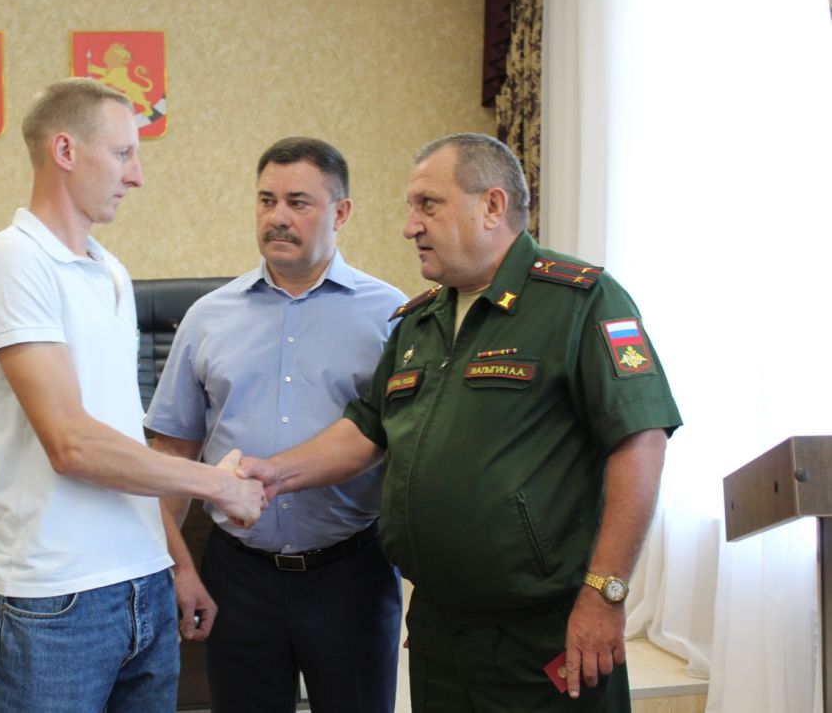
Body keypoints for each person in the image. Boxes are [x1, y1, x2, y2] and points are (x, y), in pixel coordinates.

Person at [240, 132, 682, 712]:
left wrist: (606, 594)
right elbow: (366, 431)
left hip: (546, 628)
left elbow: (640, 441)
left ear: (492, 206)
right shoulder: (418, 322)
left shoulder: (581, 301)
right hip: (439, 629)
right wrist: (273, 473)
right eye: (411, 207)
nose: (409, 226)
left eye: (428, 205)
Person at [0, 78, 265, 713]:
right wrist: (217, 484)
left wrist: (176, 561)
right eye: (124, 153)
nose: (137, 176)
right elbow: (72, 444)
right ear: (65, 150)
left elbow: (123, 439)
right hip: (58, 601)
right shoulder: (13, 261)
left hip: (144, 585)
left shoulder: (110, 271)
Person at [144, 136, 406, 713]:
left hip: (349, 573)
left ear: (341, 212)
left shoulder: (391, 316)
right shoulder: (208, 317)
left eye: (298, 202)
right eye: (267, 201)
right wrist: (176, 567)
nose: (278, 217)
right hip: (239, 575)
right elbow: (172, 455)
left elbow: (411, 451)